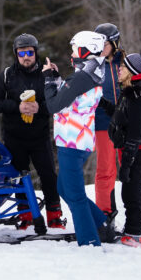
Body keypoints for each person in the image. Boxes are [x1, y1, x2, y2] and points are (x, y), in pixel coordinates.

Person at [43, 31, 117, 247]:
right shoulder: (91, 71)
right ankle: (101, 225)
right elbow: (69, 97)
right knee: (64, 189)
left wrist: (48, 80)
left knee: (74, 194)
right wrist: (57, 78)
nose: (71, 52)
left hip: (72, 141)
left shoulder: (83, 76)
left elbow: (54, 105)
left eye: (75, 48)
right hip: (77, 139)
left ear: (84, 50)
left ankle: (90, 241)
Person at [0, 34, 65, 229]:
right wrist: (18, 107)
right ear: (16, 54)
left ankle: (54, 216)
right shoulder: (7, 75)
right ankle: (25, 217)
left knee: (48, 175)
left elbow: (60, 101)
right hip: (15, 137)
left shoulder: (46, 73)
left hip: (39, 136)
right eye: (21, 53)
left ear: (35, 53)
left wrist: (40, 107)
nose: (26, 57)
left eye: (29, 52)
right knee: (19, 177)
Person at [108, 53, 141, 245]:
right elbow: (122, 116)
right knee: (134, 188)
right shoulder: (131, 91)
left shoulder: (138, 94)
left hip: (138, 148)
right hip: (134, 148)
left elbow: (136, 131)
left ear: (132, 71)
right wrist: (103, 105)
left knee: (130, 191)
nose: (119, 70)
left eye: (123, 67)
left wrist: (127, 163)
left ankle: (133, 231)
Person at [93, 22, 123, 221]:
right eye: (97, 44)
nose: (101, 48)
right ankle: (104, 213)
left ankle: (135, 214)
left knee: (129, 169)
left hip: (126, 123)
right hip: (103, 124)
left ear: (114, 43)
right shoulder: (92, 66)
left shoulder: (125, 63)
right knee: (106, 169)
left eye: (104, 44)